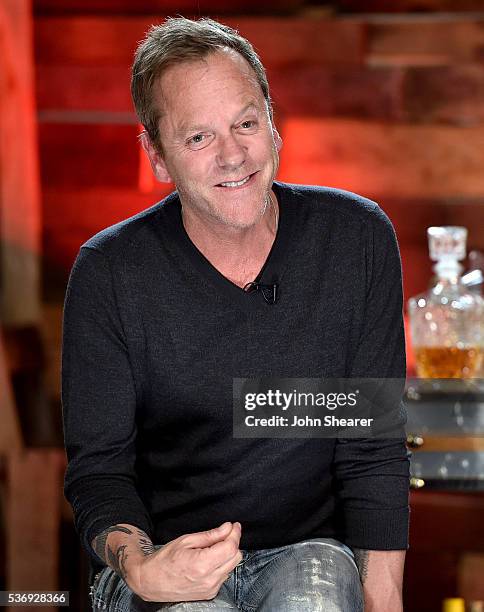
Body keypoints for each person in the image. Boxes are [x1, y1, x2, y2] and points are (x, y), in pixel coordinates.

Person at [61, 16, 410, 612]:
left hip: (311, 554)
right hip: (164, 560)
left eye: (246, 123)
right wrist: (145, 569)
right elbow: (100, 474)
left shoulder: (356, 238)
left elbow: (372, 442)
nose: (232, 155)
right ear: (157, 155)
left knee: (314, 592)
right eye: (198, 138)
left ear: (273, 126)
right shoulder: (108, 272)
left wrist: (384, 598)